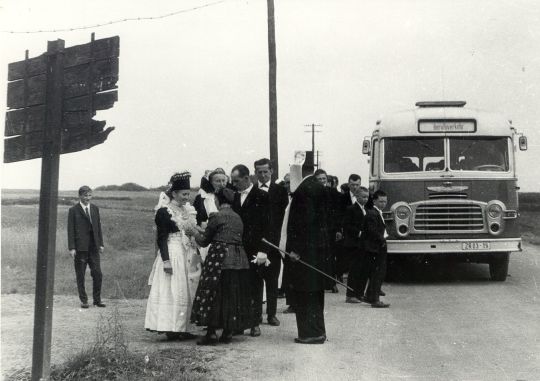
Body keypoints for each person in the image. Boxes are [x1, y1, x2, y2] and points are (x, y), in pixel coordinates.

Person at [191, 188, 252, 345]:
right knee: (232, 295)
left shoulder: (217, 216)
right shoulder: (238, 217)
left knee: (214, 293)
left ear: (217, 201)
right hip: (239, 260)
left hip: (219, 258)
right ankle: (228, 332)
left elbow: (204, 240)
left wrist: (193, 232)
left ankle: (211, 334)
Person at [145, 172, 202, 339]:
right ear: (174, 193)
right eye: (183, 194)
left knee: (186, 289)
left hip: (187, 252)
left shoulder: (188, 210)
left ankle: (181, 327)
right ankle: (170, 328)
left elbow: (192, 232)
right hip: (173, 252)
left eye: (188, 193)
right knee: (172, 290)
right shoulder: (164, 211)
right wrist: (166, 261)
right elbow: (161, 239)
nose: (187, 197)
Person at [286, 171, 330, 344]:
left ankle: (310, 334)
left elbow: (304, 223)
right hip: (317, 251)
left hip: (305, 252)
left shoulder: (304, 191)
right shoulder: (316, 187)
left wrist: (296, 249)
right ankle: (319, 331)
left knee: (305, 292)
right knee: (315, 292)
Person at [230, 164, 270, 337]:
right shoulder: (233, 198)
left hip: (255, 250)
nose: (234, 184)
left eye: (236, 181)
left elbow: (269, 226)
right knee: (238, 286)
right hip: (237, 250)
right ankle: (240, 323)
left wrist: (264, 250)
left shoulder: (262, 196)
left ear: (247, 178)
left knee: (254, 285)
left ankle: (254, 323)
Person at [253, 158, 289, 326]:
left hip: (273, 242)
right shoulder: (252, 190)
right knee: (256, 280)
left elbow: (281, 219)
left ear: (272, 171)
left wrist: (273, 242)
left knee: (272, 280)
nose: (262, 175)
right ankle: (256, 315)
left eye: (265, 171)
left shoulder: (280, 191)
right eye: (259, 172)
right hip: (256, 243)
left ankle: (272, 314)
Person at [68, 185, 105, 308]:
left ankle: (97, 300)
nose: (88, 198)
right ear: (80, 196)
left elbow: (98, 228)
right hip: (80, 248)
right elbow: (71, 230)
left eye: (90, 195)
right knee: (81, 275)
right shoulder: (73, 210)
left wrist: (101, 244)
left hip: (94, 247)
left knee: (97, 274)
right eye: (85, 196)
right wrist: (72, 248)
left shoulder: (95, 209)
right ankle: (84, 301)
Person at [360, 190, 390, 308]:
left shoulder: (377, 212)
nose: (383, 204)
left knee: (376, 273)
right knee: (378, 273)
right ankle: (375, 300)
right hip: (375, 248)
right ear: (374, 201)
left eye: (385, 201)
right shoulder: (373, 213)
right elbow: (372, 231)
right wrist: (382, 240)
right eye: (381, 201)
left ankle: (369, 296)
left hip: (375, 247)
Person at [313, 169, 339, 293]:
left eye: (324, 179)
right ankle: (319, 282)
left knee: (330, 256)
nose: (322, 181)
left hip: (330, 229)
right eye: (319, 179)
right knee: (319, 256)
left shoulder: (333, 192)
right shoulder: (312, 192)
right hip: (318, 230)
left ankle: (331, 282)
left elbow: (338, 212)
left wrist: (338, 229)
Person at [342, 186, 369, 303]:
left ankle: (359, 293)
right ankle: (350, 295)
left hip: (363, 244)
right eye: (363, 197)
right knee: (354, 270)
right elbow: (347, 225)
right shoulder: (351, 209)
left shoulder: (366, 209)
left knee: (362, 269)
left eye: (367, 197)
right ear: (357, 197)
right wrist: (359, 232)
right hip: (353, 244)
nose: (366, 199)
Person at [335, 174, 362, 281]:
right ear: (348, 184)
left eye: (357, 185)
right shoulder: (342, 198)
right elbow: (338, 214)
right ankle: (339, 274)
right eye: (352, 184)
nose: (355, 187)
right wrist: (338, 229)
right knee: (343, 254)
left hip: (360, 230)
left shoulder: (364, 197)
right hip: (346, 231)